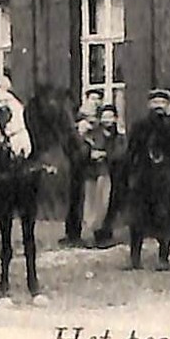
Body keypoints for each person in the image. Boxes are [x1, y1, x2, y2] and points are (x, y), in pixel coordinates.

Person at [123, 88, 170, 270]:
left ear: (168, 106)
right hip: (143, 178)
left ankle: (163, 258)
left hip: (164, 179)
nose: (158, 106)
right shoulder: (140, 127)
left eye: (163, 103)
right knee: (137, 219)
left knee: (164, 216)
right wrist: (131, 176)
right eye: (155, 103)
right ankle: (135, 258)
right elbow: (131, 152)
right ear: (149, 105)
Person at [61, 93, 102, 247]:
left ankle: (89, 234)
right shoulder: (75, 128)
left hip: (91, 171)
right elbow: (69, 147)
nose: (93, 103)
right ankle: (72, 233)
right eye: (90, 100)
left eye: (96, 101)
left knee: (89, 202)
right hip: (76, 168)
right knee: (75, 201)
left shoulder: (99, 128)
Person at [92, 103, 127, 248]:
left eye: (110, 117)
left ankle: (107, 233)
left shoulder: (119, 137)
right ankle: (96, 233)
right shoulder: (96, 135)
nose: (107, 120)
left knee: (110, 204)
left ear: (115, 119)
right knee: (97, 204)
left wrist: (105, 155)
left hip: (116, 174)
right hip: (98, 174)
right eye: (104, 117)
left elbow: (121, 153)